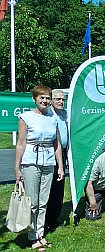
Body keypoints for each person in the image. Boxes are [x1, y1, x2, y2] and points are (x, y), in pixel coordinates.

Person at [15, 85, 64, 250]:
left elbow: (56, 144)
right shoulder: (26, 117)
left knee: (43, 201)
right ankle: (32, 236)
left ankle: (40, 233)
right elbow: (21, 144)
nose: (45, 100)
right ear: (34, 99)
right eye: (41, 97)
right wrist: (17, 168)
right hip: (30, 162)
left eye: (47, 98)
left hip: (49, 162)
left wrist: (60, 167)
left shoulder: (53, 118)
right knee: (32, 201)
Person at [45, 89, 68, 232]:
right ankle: (46, 220)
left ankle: (54, 218)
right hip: (50, 153)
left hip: (63, 152)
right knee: (50, 187)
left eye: (63, 99)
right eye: (57, 99)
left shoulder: (65, 114)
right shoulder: (47, 115)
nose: (60, 102)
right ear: (51, 100)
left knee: (59, 186)